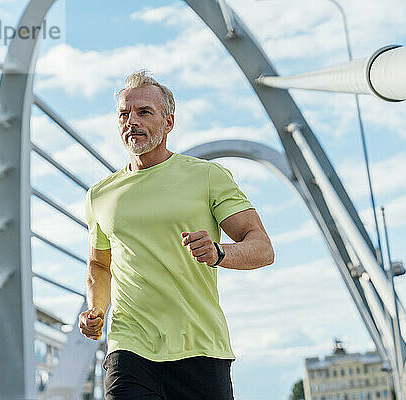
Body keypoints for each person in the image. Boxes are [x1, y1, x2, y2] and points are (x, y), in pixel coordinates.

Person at [78, 70, 274, 400]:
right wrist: (95, 309)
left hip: (200, 349)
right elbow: (99, 266)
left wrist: (219, 252)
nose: (132, 121)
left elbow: (262, 248)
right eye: (124, 114)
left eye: (144, 112)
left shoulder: (207, 177)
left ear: (169, 122)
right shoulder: (100, 194)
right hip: (130, 348)